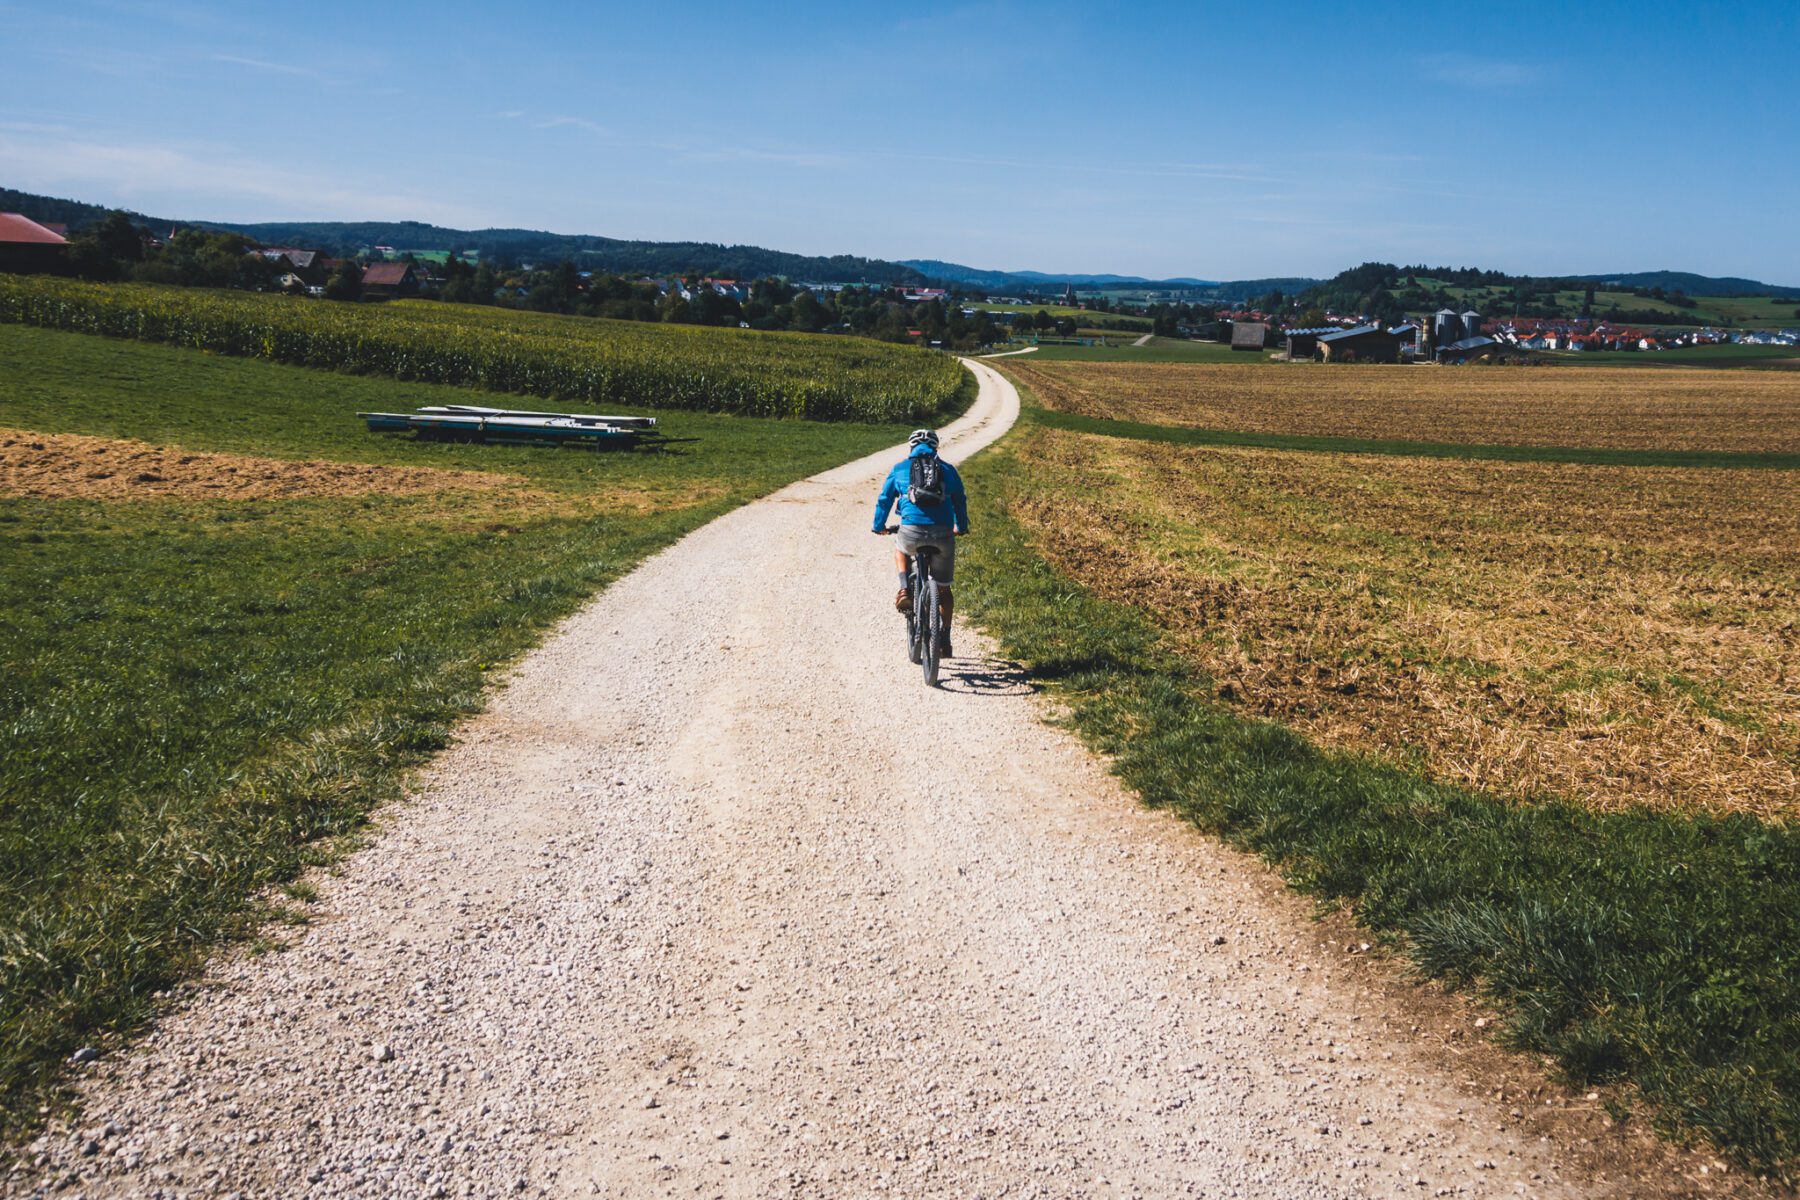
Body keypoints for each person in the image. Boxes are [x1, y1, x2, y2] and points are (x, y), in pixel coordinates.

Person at [872, 428, 969, 656]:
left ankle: (905, 588)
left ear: (911, 448)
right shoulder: (947, 470)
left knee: (900, 548)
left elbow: (884, 499)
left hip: (911, 532)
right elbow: (959, 501)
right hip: (943, 534)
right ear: (936, 448)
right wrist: (960, 526)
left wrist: (879, 526)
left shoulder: (899, 469)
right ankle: (944, 640)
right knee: (944, 590)